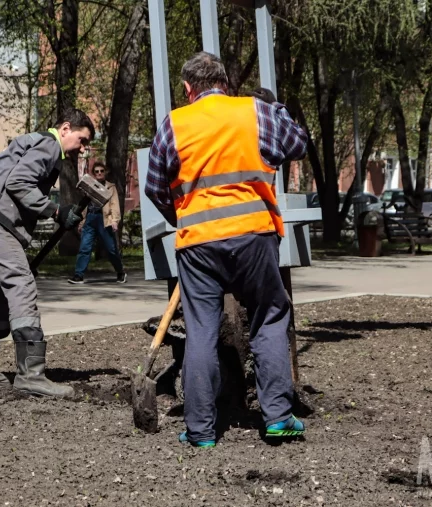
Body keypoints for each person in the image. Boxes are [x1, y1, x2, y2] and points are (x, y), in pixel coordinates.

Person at [145, 52, 309, 447]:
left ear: (188, 89)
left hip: (198, 245)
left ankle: (200, 431)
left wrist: (185, 215)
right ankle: (277, 418)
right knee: (269, 317)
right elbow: (298, 144)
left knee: (201, 330)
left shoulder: (175, 124)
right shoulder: (254, 112)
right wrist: (276, 106)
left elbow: (154, 186)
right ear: (225, 82)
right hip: (255, 236)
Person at [0, 109, 94, 398]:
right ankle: (31, 374)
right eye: (82, 140)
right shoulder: (49, 145)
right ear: (66, 128)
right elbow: (18, 183)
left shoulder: (36, 142)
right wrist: (57, 211)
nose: (82, 149)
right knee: (21, 282)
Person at [68, 161, 127, 284]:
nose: (99, 173)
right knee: (84, 247)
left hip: (104, 219)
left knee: (111, 249)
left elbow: (115, 205)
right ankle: (78, 275)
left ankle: (120, 271)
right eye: (97, 171)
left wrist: (115, 221)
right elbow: (85, 206)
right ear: (94, 174)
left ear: (105, 172)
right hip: (90, 218)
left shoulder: (111, 187)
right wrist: (82, 222)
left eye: (101, 171)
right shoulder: (90, 186)